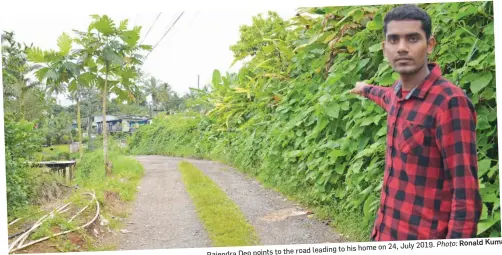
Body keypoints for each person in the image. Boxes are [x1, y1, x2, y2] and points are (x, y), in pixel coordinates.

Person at [349, 4, 482, 241]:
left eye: (412, 39)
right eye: (393, 40)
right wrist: (364, 89)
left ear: (430, 44)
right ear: (384, 48)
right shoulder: (398, 95)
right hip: (385, 232)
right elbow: (384, 95)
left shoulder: (449, 103)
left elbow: (466, 196)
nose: (402, 48)